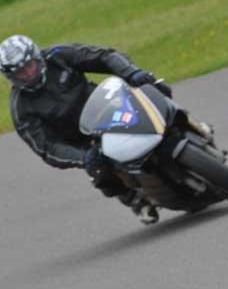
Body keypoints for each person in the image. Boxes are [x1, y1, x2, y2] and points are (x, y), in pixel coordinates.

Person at [0, 34, 211, 224]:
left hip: (109, 105)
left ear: (37, 57)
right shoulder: (21, 108)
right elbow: (47, 148)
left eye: (29, 66)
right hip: (85, 139)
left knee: (151, 89)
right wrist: (82, 157)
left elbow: (103, 56)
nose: (28, 73)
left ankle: (190, 123)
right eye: (19, 73)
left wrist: (132, 73)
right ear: (11, 78)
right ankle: (135, 200)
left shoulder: (58, 55)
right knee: (98, 170)